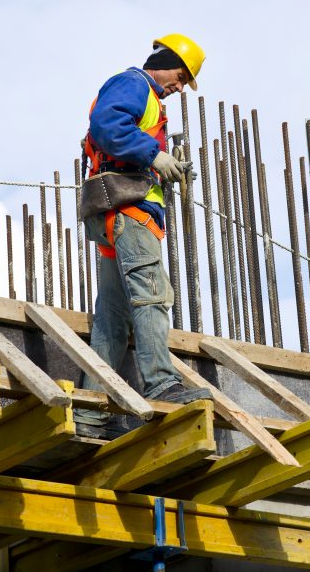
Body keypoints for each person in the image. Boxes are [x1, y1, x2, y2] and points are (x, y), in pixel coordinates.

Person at [74, 34, 213, 440]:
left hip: (117, 214)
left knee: (112, 320)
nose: (181, 86)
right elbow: (106, 125)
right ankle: (161, 382)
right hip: (129, 213)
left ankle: (91, 411)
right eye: (181, 76)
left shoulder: (149, 99)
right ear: (165, 61)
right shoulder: (135, 84)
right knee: (153, 295)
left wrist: (160, 163)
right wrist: (154, 155)